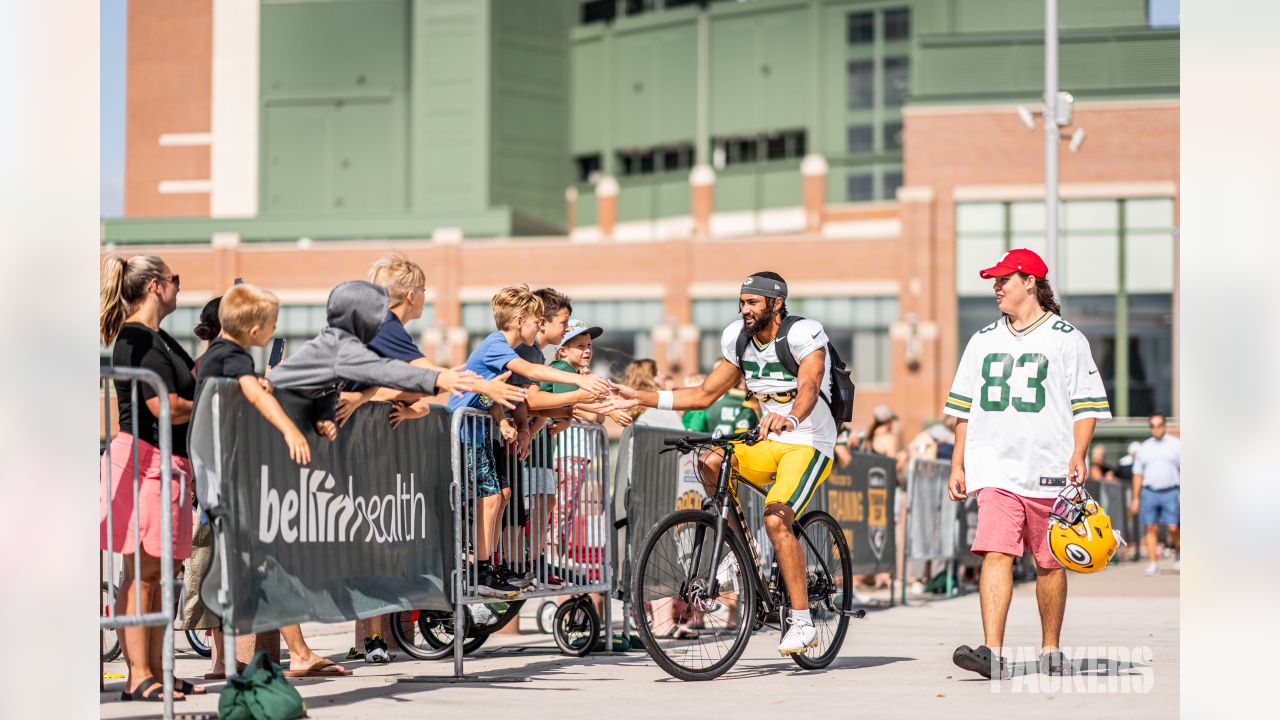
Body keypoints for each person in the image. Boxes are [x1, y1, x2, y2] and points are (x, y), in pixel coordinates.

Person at [615, 271, 837, 655]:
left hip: (809, 441)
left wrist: (792, 418)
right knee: (711, 460)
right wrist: (637, 396)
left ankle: (802, 620)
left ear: (776, 303)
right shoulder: (739, 338)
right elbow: (703, 394)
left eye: (753, 302)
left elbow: (810, 387)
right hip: (771, 439)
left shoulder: (803, 334)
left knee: (774, 517)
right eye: (742, 301)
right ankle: (735, 553)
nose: (744, 309)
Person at [944, 248, 1111, 679]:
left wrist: (1079, 452)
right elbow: (963, 409)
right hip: (995, 470)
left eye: (1004, 280)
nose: (996, 288)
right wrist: (957, 463)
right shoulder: (981, 340)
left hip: (1049, 470)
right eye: (995, 281)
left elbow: (1086, 405)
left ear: (1030, 282)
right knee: (995, 553)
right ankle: (992, 652)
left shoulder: (1067, 338)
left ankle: (1050, 648)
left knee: (1049, 562)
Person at [447, 286, 612, 597]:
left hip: (481, 431)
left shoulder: (506, 350)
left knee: (503, 495)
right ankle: (480, 570)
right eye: (537, 321)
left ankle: (489, 568)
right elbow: (529, 374)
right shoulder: (498, 345)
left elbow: (496, 393)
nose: (540, 327)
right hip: (466, 433)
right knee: (492, 499)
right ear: (521, 319)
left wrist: (515, 426)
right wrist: (580, 381)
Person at [99, 255, 205, 701]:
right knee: (142, 572)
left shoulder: (160, 340)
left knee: (164, 573)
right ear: (158, 285)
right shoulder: (135, 340)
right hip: (145, 463)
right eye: (176, 280)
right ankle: (138, 674)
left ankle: (158, 670)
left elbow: (191, 386)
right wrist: (212, 402)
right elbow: (163, 406)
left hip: (169, 464)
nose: (180, 287)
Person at [1129, 412, 1180, 575]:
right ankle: (1153, 563)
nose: (1156, 429)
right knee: (1150, 527)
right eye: (1153, 426)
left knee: (1173, 528)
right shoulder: (1144, 448)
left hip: (1171, 491)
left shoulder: (1176, 445)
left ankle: (1179, 553)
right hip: (1149, 492)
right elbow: (1137, 474)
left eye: (1159, 425)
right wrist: (1136, 498)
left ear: (1164, 426)